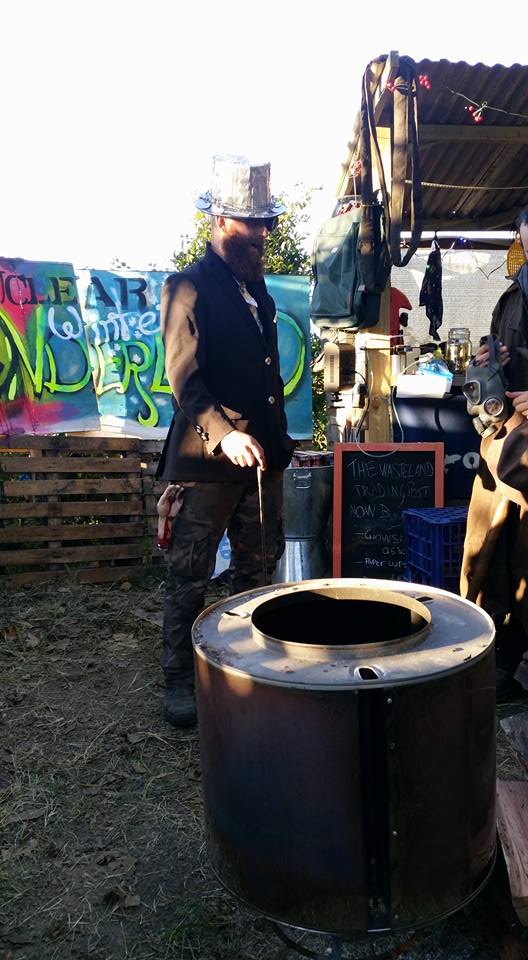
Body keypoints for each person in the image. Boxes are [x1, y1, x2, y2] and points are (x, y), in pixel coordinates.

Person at [156, 155, 294, 726]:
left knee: (257, 572)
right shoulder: (187, 287)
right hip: (206, 462)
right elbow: (184, 379)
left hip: (260, 461)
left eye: (267, 223)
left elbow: (265, 376)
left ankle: (248, 671)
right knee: (189, 574)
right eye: (252, 223)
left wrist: (277, 444)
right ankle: (178, 681)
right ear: (219, 222)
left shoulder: (257, 291)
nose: (263, 234)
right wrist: (225, 434)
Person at [461, 207, 528, 692]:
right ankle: (498, 656)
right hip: (506, 447)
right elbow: (497, 369)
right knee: (489, 554)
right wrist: (491, 362)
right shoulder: (512, 296)